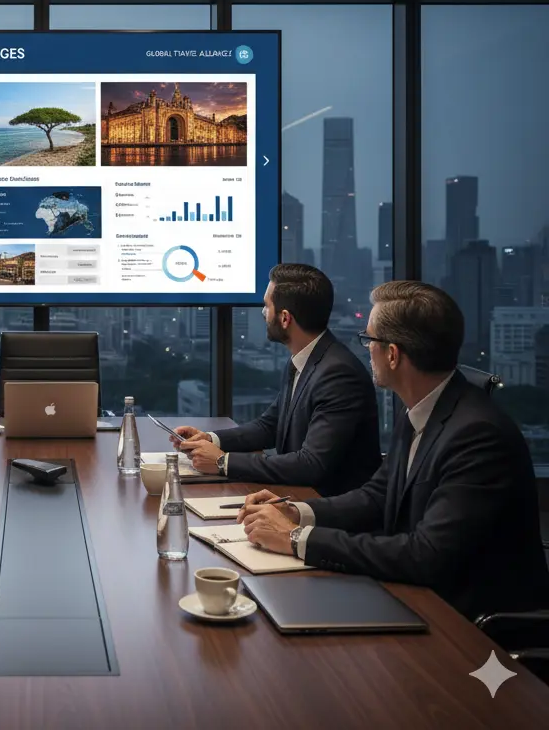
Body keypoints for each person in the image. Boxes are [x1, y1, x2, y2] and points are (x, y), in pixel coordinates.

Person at [240, 280, 549, 621]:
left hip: (468, 626)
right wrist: (296, 513)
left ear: (392, 354)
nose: (364, 348)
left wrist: (297, 539)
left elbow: (426, 555)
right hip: (417, 596)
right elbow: (378, 494)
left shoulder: (478, 436)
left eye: (368, 339)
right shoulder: (423, 406)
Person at [175, 264, 380, 495]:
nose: (263, 313)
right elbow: (269, 426)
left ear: (285, 318)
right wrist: (211, 439)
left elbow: (311, 464)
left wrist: (224, 462)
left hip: (327, 512)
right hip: (295, 496)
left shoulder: (338, 374)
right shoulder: (305, 359)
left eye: (267, 305)